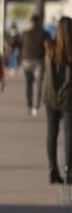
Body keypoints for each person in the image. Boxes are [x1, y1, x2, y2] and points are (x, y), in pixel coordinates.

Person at [42, 17, 72, 184]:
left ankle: (53, 169)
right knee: (69, 134)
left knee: (52, 132)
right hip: (69, 95)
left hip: (51, 95)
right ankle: (69, 170)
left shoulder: (50, 47)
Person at [21, 14, 47, 117]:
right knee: (38, 84)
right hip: (39, 60)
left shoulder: (25, 33)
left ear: (31, 23)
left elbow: (20, 44)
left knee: (28, 83)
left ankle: (29, 104)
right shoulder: (44, 34)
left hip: (27, 60)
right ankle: (35, 107)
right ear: (39, 22)